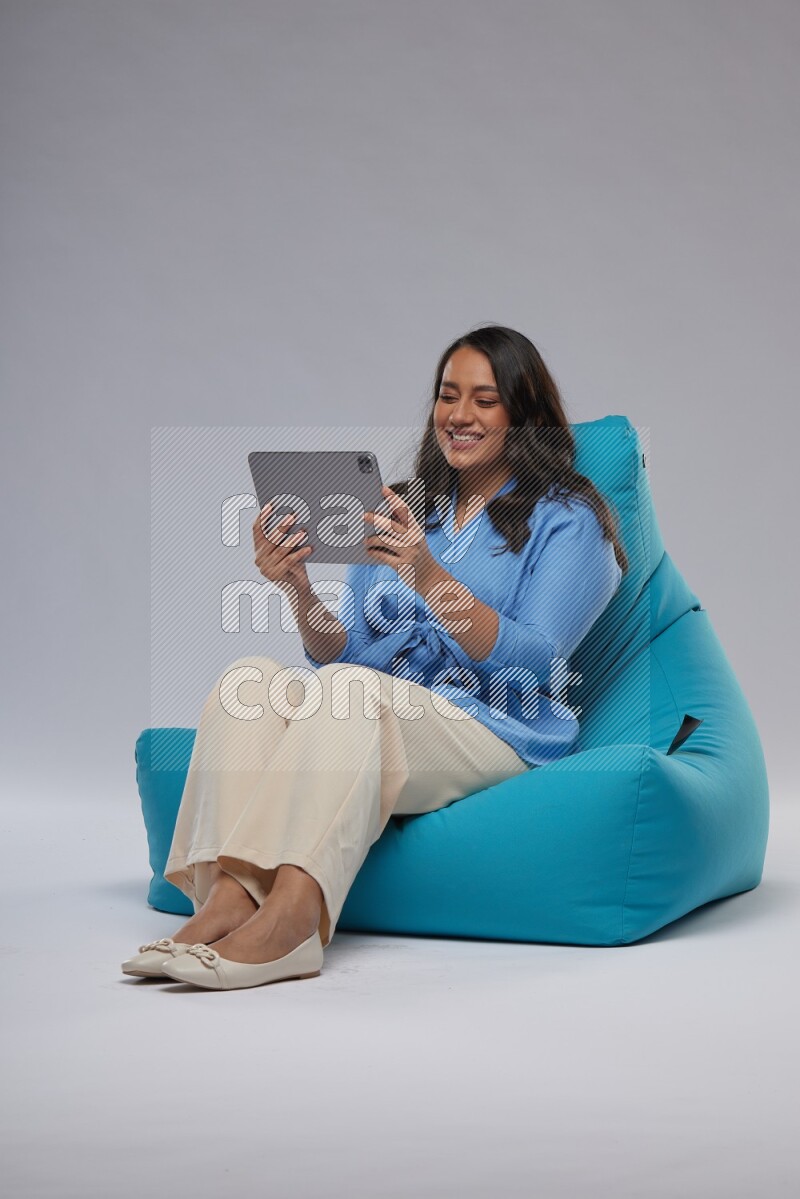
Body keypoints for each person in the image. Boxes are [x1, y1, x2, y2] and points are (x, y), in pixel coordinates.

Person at [122, 324, 628, 990]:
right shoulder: (406, 505)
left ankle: (291, 925)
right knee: (247, 680)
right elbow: (350, 652)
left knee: (350, 693)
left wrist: (427, 574)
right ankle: (223, 901)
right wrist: (299, 590)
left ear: (523, 413)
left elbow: (534, 659)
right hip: (380, 711)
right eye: (449, 395)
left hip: (498, 727)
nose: (459, 415)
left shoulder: (569, 517)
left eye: (484, 398)